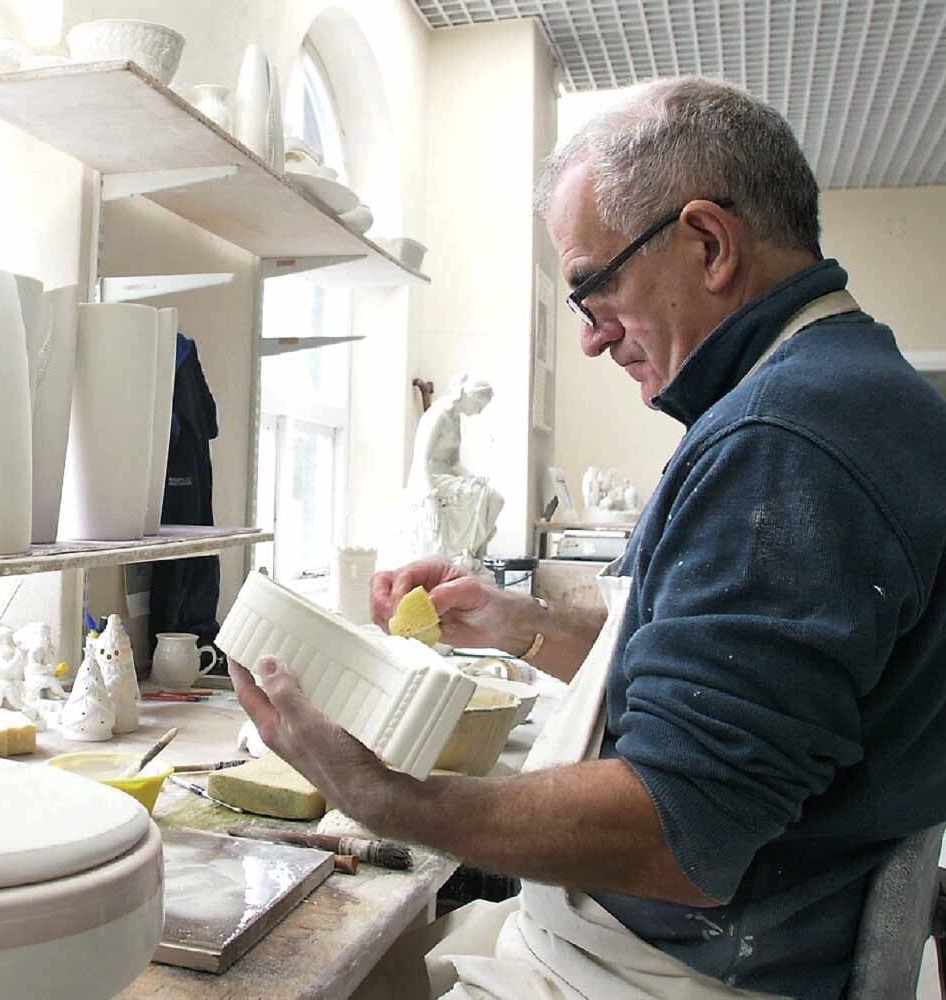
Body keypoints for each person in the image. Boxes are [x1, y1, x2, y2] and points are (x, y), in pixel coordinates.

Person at [229, 75, 946, 1000]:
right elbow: (719, 682)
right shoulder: (848, 391)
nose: (591, 340)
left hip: (672, 977)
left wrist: (382, 798)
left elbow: (678, 828)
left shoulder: (784, 442)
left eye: (592, 288)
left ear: (709, 243)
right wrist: (515, 624)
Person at [382, 373, 506, 573]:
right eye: (480, 405)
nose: (480, 411)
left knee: (495, 499)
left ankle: (470, 555)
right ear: (470, 397)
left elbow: (455, 462)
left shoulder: (455, 418)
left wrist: (471, 477)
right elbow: (420, 460)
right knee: (490, 499)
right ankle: (462, 556)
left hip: (450, 478)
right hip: (431, 481)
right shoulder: (437, 415)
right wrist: (430, 498)